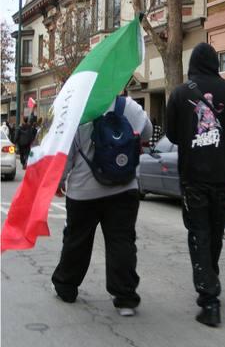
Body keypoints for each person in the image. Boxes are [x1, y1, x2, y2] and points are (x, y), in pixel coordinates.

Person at [166, 42, 225, 327]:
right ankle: (210, 280)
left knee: (199, 233)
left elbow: (173, 135)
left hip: (193, 176)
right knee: (214, 232)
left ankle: (209, 298)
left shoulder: (180, 94)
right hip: (223, 174)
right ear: (216, 63)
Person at [52, 95, 152, 317]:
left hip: (83, 191)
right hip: (124, 188)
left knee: (77, 240)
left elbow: (66, 153)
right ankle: (125, 297)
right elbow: (147, 132)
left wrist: (59, 180)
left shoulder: (77, 110)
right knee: (121, 241)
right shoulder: (128, 106)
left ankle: (66, 287)